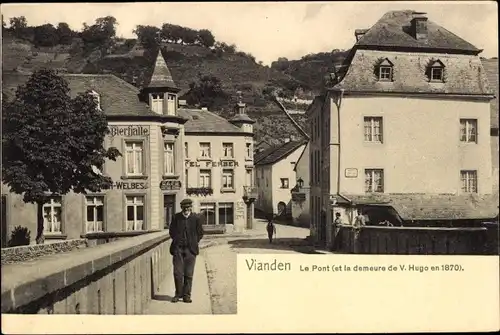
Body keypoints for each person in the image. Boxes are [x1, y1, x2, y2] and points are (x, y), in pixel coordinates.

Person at [168, 198, 204, 303]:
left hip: (191, 250)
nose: (186, 209)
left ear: (191, 208)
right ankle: (178, 294)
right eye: (184, 207)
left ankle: (186, 296)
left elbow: (200, 233)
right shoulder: (176, 217)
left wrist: (193, 242)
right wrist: (177, 240)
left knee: (188, 274)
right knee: (177, 273)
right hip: (178, 249)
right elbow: (171, 231)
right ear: (181, 208)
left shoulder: (196, 218)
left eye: (188, 207)